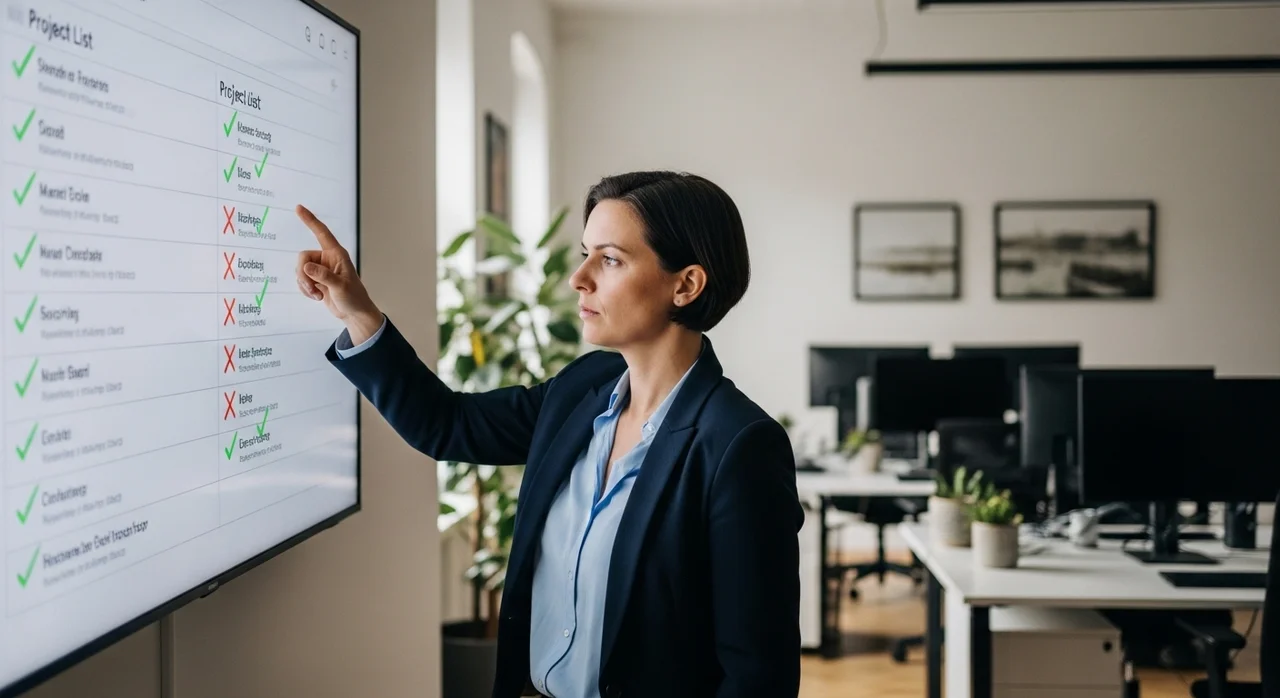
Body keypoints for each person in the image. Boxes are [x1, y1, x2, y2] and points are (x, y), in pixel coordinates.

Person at [294, 170, 803, 698]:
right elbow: (448, 425)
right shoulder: (581, 389)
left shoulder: (740, 445)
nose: (578, 278)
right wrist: (356, 309)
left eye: (609, 259)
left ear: (686, 284)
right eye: (586, 254)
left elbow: (757, 677)